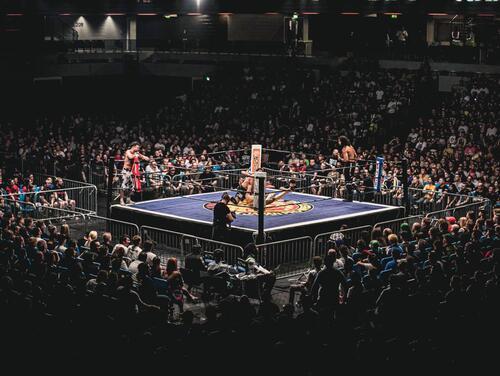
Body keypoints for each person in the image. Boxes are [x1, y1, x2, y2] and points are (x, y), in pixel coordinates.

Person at [338, 135, 358, 201]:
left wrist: (340, 158)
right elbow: (356, 155)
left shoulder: (344, 148)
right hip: (353, 164)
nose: (338, 142)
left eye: (339, 141)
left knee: (348, 181)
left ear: (342, 141)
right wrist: (353, 161)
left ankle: (350, 198)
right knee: (350, 180)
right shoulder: (351, 147)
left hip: (348, 165)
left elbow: (346, 160)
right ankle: (355, 193)